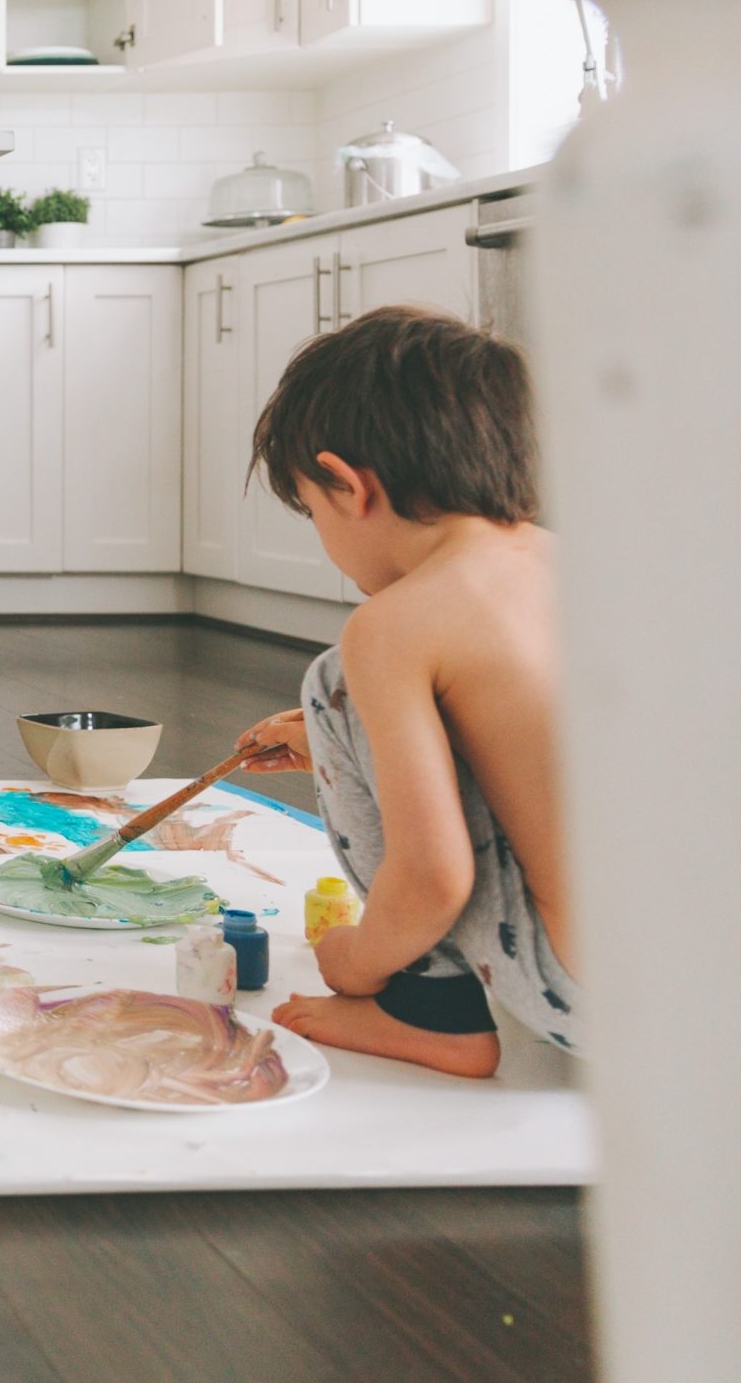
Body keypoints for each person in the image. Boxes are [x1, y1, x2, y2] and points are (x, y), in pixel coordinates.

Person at [235, 307, 582, 1078]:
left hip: (586, 995)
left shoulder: (392, 627)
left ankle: (429, 1012)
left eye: (313, 508)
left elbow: (435, 876)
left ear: (350, 486)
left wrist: (355, 959)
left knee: (336, 687)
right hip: (706, 980)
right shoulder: (574, 560)